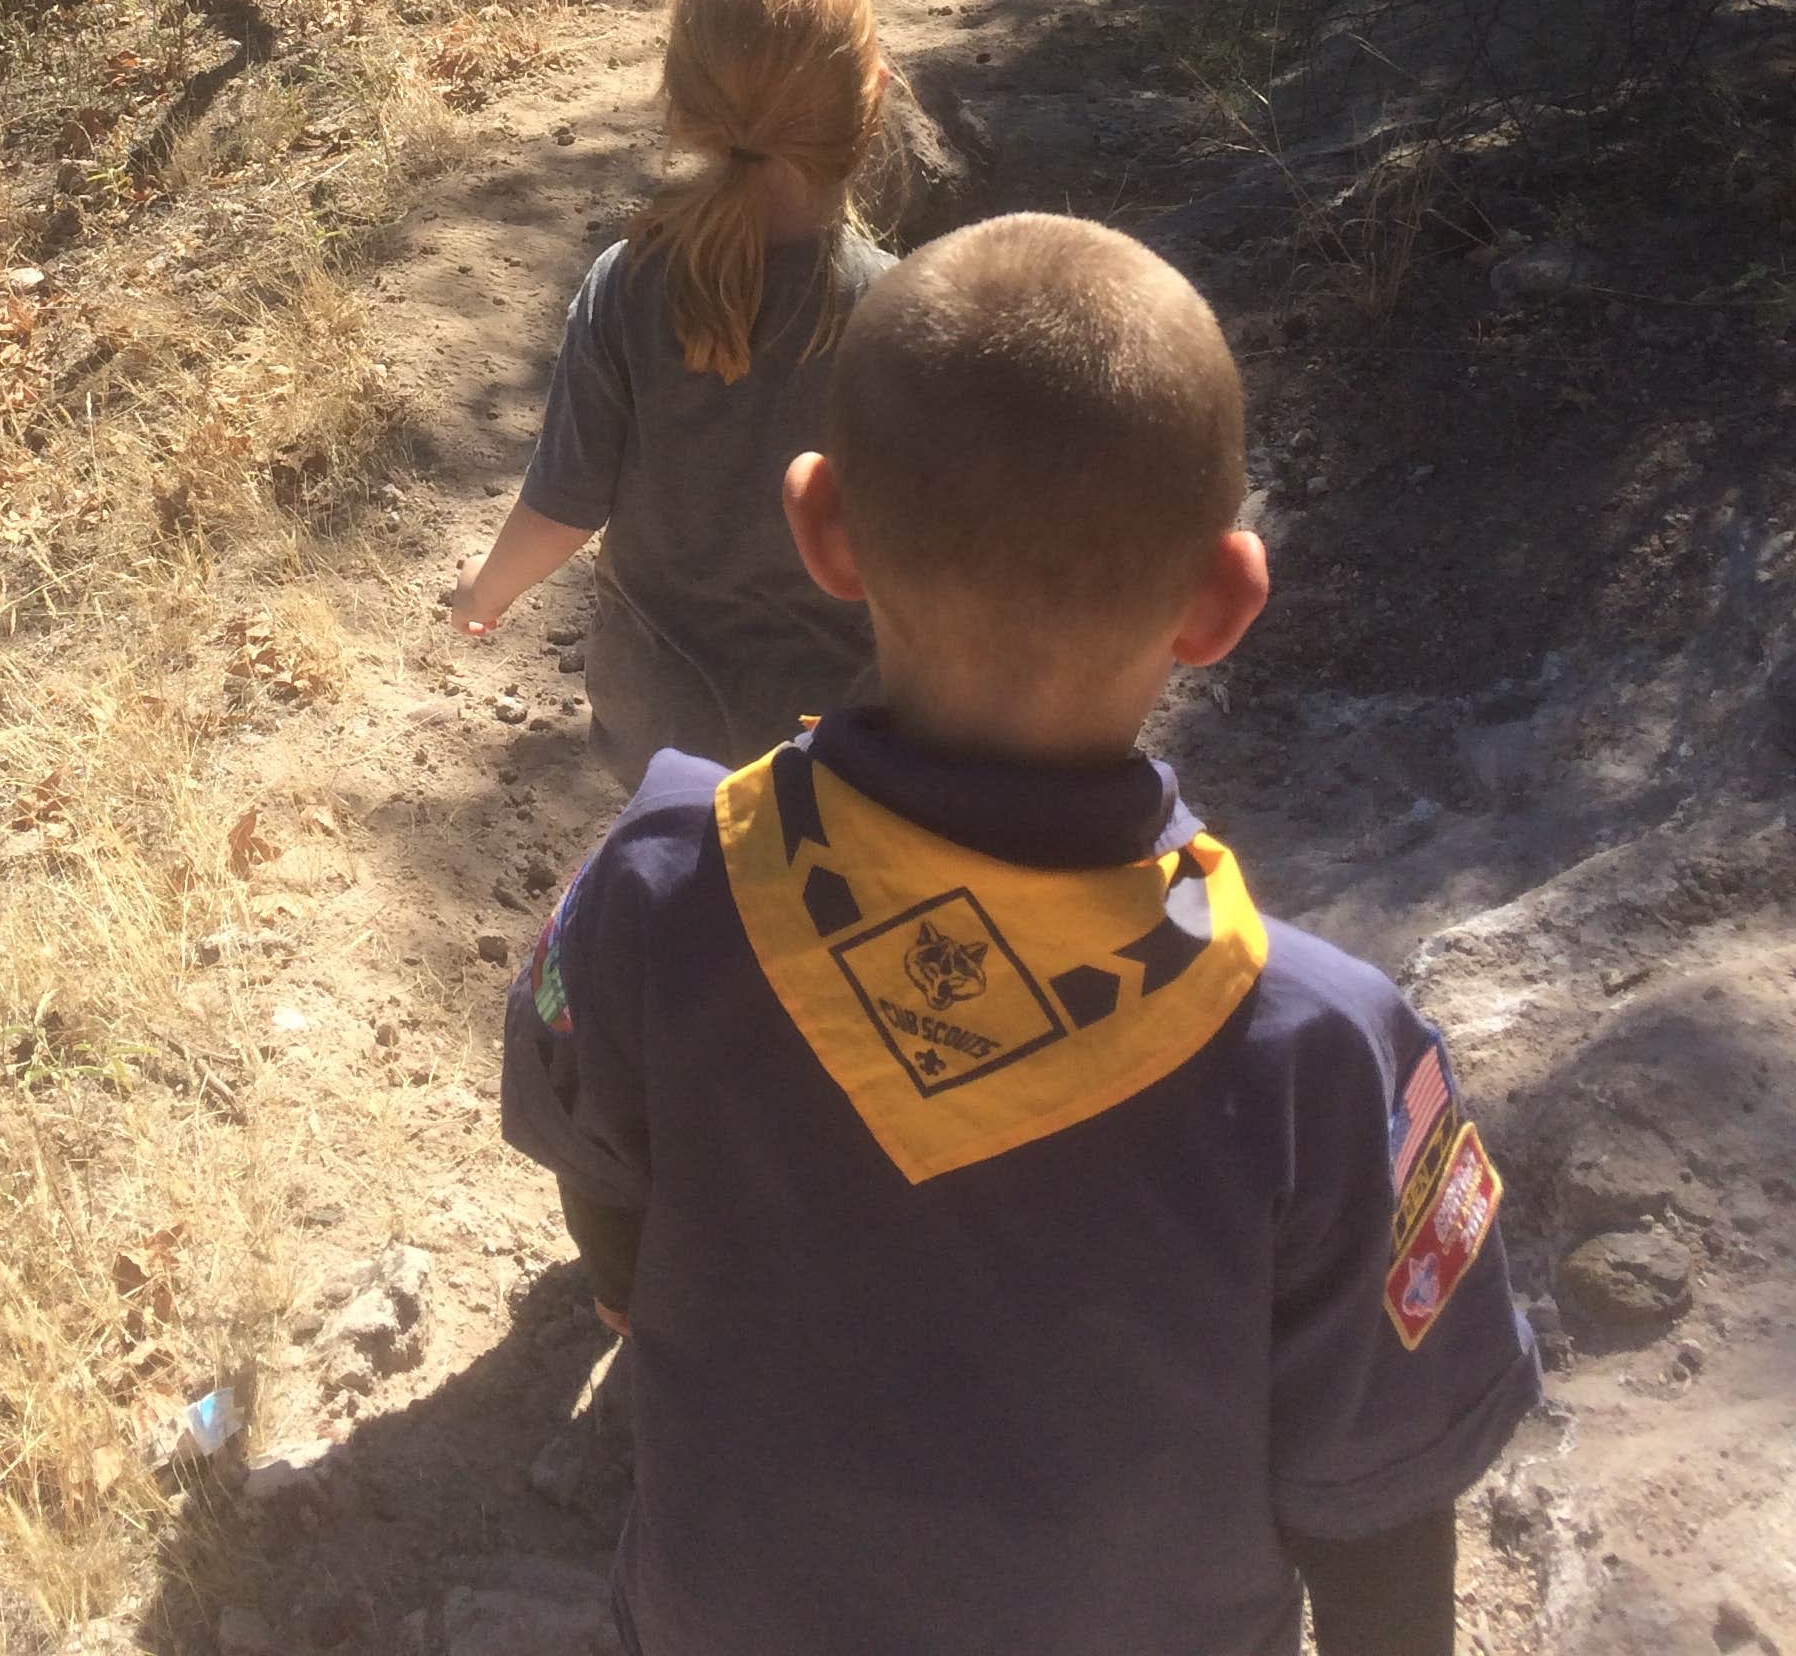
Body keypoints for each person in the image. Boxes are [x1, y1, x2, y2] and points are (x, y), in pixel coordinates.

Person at [503, 213, 1539, 1656]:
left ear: (822, 525)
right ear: (1224, 600)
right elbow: (1381, 1514)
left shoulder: (665, 872)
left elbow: (599, 1180)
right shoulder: (1326, 1053)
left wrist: (634, 1288)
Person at [449, 0, 893, 784]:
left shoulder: (626, 285)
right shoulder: (896, 312)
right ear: (873, 91)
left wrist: (484, 589)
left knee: (680, 862)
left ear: (681, 104)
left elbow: (563, 506)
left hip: (659, 723)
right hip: (834, 734)